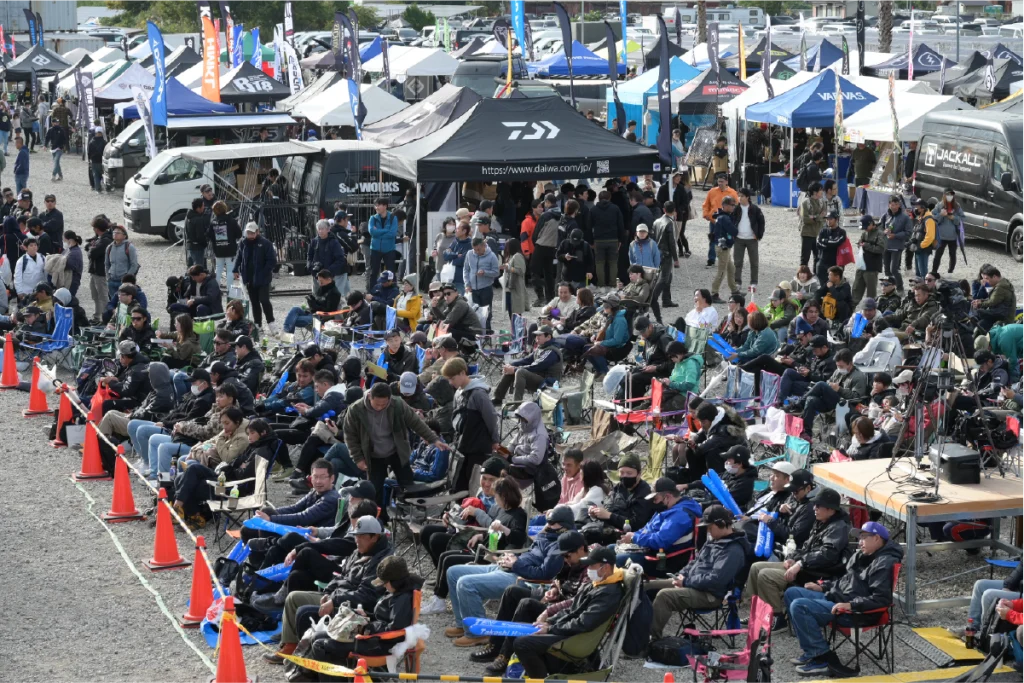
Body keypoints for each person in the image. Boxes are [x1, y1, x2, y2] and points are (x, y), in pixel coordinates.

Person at [264, 515, 393, 664]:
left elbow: (367, 596)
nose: (357, 540)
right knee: (294, 596)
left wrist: (334, 599)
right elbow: (341, 576)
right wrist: (327, 593)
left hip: (351, 608)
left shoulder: (381, 561)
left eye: (362, 536)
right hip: (337, 596)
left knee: (301, 608)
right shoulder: (359, 551)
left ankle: (299, 653)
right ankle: (290, 646)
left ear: (374, 537)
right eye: (356, 536)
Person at [784, 522, 903, 677]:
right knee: (792, 593)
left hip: (856, 612)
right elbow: (845, 582)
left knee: (800, 606)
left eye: (864, 537)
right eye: (859, 538)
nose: (860, 542)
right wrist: (823, 587)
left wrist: (850, 605)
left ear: (877, 538)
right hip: (841, 600)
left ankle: (822, 658)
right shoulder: (862, 556)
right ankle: (811, 649)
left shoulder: (884, 562)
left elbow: (881, 599)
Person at [445, 506, 575, 647]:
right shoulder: (547, 536)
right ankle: (463, 624)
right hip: (511, 568)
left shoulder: (559, 546)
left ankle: (478, 633)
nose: (548, 524)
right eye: (547, 521)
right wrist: (512, 558)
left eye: (552, 522)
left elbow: (544, 574)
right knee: (453, 572)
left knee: (466, 584)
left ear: (564, 526)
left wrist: (516, 564)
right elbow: (530, 555)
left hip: (523, 579)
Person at [510, 545, 625, 679]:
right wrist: (549, 621)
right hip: (571, 631)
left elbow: (583, 623)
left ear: (605, 567)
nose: (588, 569)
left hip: (576, 638)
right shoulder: (597, 584)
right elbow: (571, 610)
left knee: (522, 644)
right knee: (526, 631)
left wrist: (551, 628)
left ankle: (540, 680)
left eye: (592, 566)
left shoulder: (609, 593)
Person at [745, 488, 851, 631]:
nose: (814, 508)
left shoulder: (838, 527)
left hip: (818, 573)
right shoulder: (822, 522)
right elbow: (806, 547)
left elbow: (826, 555)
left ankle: (777, 617)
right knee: (756, 567)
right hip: (807, 566)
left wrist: (800, 563)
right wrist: (792, 558)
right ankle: (758, 613)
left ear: (831, 509)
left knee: (766, 576)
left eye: (818, 506)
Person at [648, 505, 751, 640]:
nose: (708, 531)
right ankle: (631, 632)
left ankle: (651, 639)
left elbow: (716, 580)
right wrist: (682, 575)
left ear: (721, 524)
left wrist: (686, 582)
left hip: (710, 595)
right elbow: (695, 562)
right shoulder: (715, 540)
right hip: (693, 584)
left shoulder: (733, 550)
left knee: (664, 596)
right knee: (646, 585)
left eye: (710, 527)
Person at [443, 357, 500, 492]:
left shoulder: (478, 394)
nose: (451, 382)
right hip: (463, 444)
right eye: (449, 379)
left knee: (474, 483)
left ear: (463, 373)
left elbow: (491, 417)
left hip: (478, 447)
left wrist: (495, 440)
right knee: (459, 482)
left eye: (452, 378)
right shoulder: (458, 392)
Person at [798, 348, 868, 439]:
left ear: (850, 364)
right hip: (831, 401)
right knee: (810, 399)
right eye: (837, 366)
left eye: (841, 366)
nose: (839, 368)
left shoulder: (858, 376)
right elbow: (829, 381)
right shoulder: (837, 371)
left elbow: (857, 397)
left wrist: (839, 389)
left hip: (845, 403)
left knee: (821, 384)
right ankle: (806, 432)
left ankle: (798, 404)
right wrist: (830, 386)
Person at [493, 324, 563, 404]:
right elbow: (527, 360)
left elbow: (537, 366)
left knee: (520, 372)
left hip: (548, 383)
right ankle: (498, 398)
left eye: (540, 335)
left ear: (548, 337)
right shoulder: (542, 347)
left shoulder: (552, 351)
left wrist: (514, 369)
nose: (537, 337)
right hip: (539, 378)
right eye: (536, 335)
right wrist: (511, 365)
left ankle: (517, 403)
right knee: (512, 368)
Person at [233, 222, 277, 331]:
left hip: (263, 278)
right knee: (254, 302)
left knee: (264, 300)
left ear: (257, 232)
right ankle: (258, 323)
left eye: (252, 233)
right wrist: (235, 269)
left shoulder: (266, 243)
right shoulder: (243, 242)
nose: (250, 235)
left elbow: (272, 260)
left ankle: (271, 322)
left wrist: (264, 272)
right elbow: (239, 256)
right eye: (248, 233)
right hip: (249, 278)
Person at [464, 236, 500, 333]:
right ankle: (476, 334)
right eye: (474, 249)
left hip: (486, 288)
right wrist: (467, 284)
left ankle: (487, 334)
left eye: (478, 249)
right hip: (472, 289)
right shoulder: (469, 254)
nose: (476, 252)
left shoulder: (492, 256)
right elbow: (466, 270)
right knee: (474, 313)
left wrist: (485, 272)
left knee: (486, 313)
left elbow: (496, 272)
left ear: (484, 246)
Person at [702, 174, 738, 267]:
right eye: (718, 181)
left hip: (727, 222)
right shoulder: (712, 191)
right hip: (714, 221)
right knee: (713, 239)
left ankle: (726, 259)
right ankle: (711, 259)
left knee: (728, 240)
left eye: (722, 181)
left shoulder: (732, 193)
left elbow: (737, 207)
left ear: (726, 182)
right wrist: (706, 214)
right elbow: (706, 204)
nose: (720, 183)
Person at [591, 190, 625, 287]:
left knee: (599, 263)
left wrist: (591, 241)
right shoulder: (615, 208)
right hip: (613, 239)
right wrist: (621, 239)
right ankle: (612, 284)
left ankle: (601, 284)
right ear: (610, 198)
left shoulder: (593, 209)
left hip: (598, 240)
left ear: (599, 198)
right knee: (613, 263)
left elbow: (589, 226)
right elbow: (620, 225)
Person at [733, 187, 765, 290]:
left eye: (742, 196)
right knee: (737, 262)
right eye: (738, 196)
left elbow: (761, 222)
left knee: (754, 262)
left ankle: (754, 282)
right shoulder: (736, 209)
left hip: (752, 239)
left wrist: (759, 235)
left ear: (747, 197)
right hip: (738, 239)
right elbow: (731, 221)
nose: (739, 198)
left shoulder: (755, 209)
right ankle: (737, 282)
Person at [710, 195, 739, 303]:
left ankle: (734, 290)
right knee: (721, 272)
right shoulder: (725, 218)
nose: (733, 207)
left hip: (723, 246)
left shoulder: (721, 216)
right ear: (725, 205)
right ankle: (714, 293)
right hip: (723, 248)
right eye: (732, 205)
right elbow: (734, 231)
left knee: (731, 269)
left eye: (734, 205)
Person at [206, 200, 242, 287]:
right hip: (230, 249)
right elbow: (239, 234)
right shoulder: (231, 221)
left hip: (218, 249)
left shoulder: (213, 222)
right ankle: (230, 289)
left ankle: (216, 289)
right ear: (225, 208)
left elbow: (209, 235)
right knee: (230, 270)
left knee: (218, 269)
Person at [853, 215, 885, 305]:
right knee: (856, 289)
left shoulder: (880, 234)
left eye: (866, 227)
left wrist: (866, 245)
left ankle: (870, 309)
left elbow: (880, 249)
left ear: (871, 224)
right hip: (861, 265)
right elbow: (860, 241)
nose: (864, 229)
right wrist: (859, 244)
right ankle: (852, 308)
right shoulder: (865, 233)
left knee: (871, 293)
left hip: (872, 267)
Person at [973, 265, 1017, 331]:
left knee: (980, 323)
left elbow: (992, 301)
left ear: (994, 276)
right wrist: (981, 301)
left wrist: (980, 304)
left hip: (1003, 319)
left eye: (987, 278)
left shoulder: (1001, 287)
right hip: (1000, 315)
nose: (986, 281)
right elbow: (993, 298)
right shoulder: (1002, 283)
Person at [368, 197, 399, 287]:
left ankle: (393, 291)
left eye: (378, 205)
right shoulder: (372, 218)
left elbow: (392, 233)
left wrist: (378, 232)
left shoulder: (393, 218)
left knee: (391, 272)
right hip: (375, 249)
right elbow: (372, 232)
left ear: (385, 206)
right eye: (375, 205)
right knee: (373, 272)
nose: (376, 207)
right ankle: (372, 291)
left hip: (389, 249)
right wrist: (385, 230)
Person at [104, 225, 139, 302]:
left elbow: (134, 265)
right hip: (111, 281)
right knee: (114, 303)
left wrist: (126, 279)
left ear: (124, 236)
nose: (115, 234)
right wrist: (108, 277)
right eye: (114, 232)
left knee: (124, 304)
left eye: (118, 232)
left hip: (123, 282)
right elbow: (107, 264)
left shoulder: (129, 247)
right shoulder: (109, 247)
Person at [933, 189, 964, 274]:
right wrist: (941, 215)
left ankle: (950, 271)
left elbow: (962, 218)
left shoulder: (957, 206)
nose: (949, 197)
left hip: (953, 236)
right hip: (941, 236)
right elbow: (933, 217)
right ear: (944, 195)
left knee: (952, 255)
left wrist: (954, 218)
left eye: (951, 195)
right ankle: (934, 271)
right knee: (938, 254)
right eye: (947, 195)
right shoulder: (939, 205)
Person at [501, 238, 529, 322]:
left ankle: (518, 330)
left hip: (515, 288)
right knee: (511, 314)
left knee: (516, 315)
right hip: (509, 288)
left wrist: (508, 268)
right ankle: (514, 330)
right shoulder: (511, 256)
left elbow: (521, 270)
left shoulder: (517, 256)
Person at [800, 182, 826, 268]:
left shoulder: (822, 203)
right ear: (815, 192)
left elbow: (824, 216)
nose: (822, 192)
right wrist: (818, 217)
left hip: (818, 234)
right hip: (807, 233)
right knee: (805, 258)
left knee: (818, 257)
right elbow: (805, 219)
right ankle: (803, 273)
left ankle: (816, 273)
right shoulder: (805, 203)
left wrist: (813, 217)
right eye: (820, 190)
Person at [909, 198, 937, 278]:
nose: (915, 209)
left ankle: (925, 285)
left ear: (923, 208)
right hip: (918, 249)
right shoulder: (921, 218)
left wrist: (921, 246)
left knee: (923, 273)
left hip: (923, 249)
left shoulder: (929, 219)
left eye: (917, 206)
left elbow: (930, 236)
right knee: (918, 273)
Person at [87, 128, 105, 192]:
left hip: (94, 161)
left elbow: (89, 152)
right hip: (102, 161)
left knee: (96, 175)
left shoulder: (91, 142)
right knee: (102, 175)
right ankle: (104, 187)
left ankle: (98, 188)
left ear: (95, 133)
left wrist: (89, 159)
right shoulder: (104, 142)